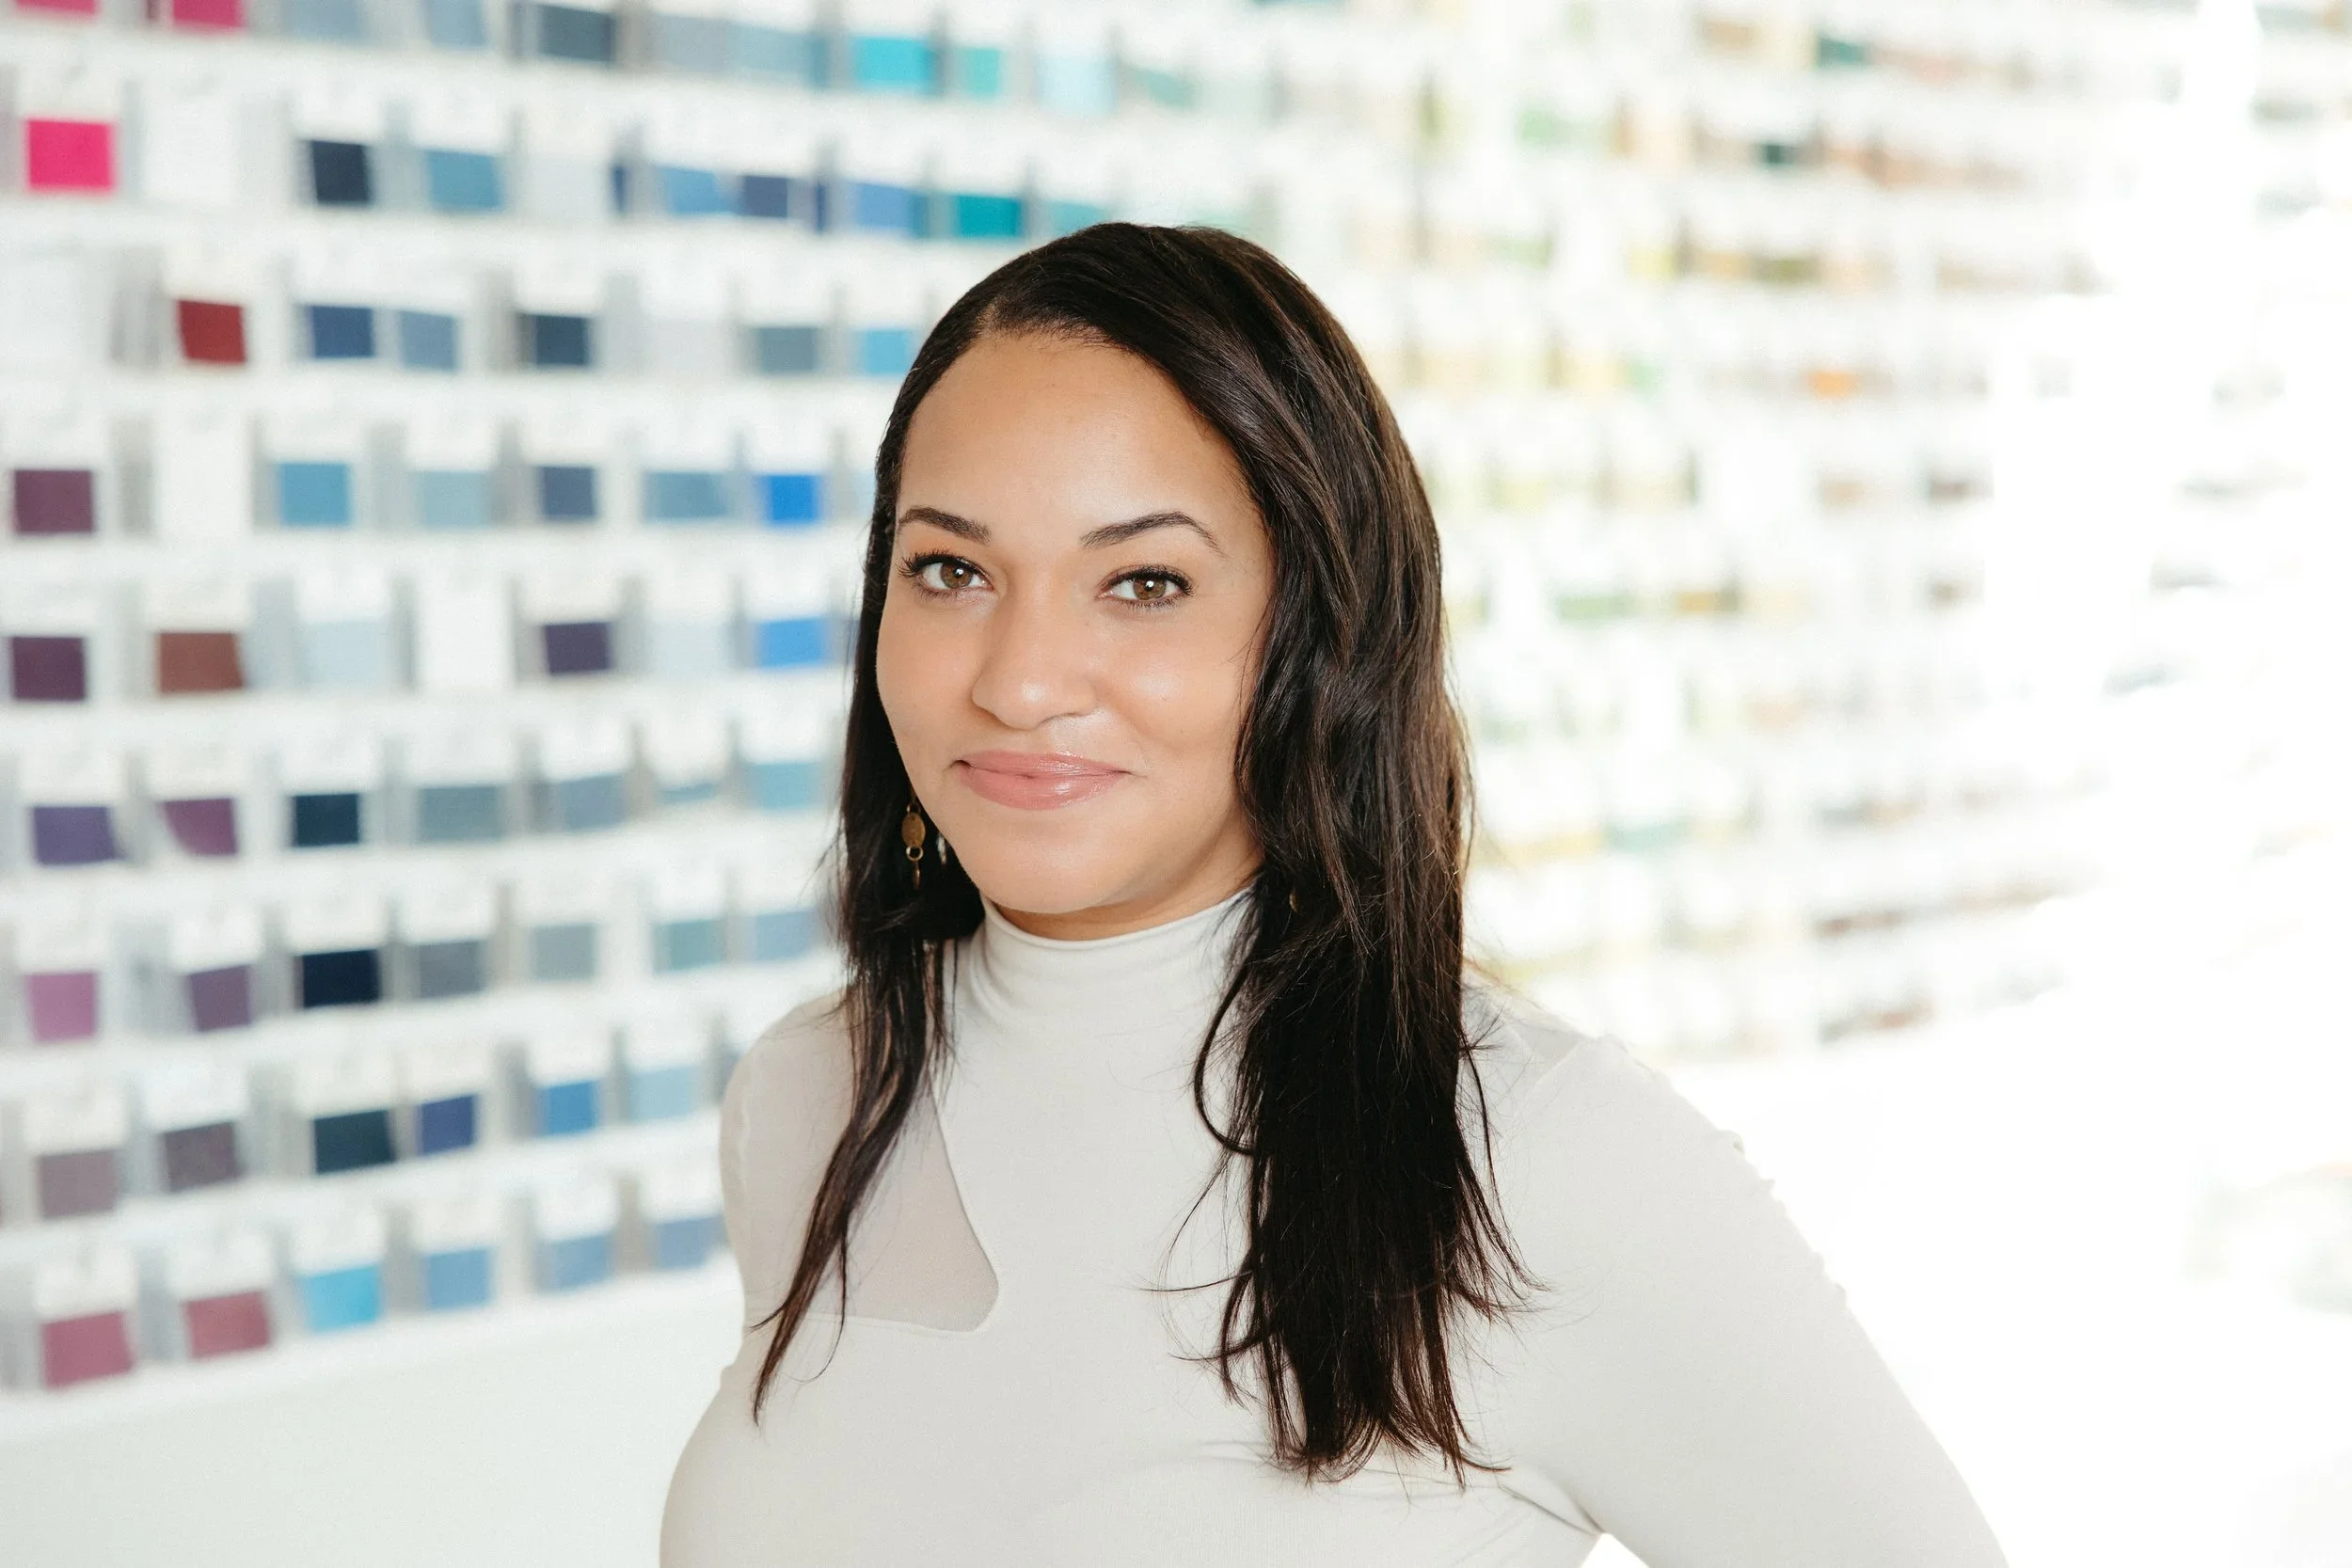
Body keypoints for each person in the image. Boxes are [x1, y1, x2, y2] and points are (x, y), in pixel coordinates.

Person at [660, 222, 2008, 1566]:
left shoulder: (1534, 1157)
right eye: (951, 569)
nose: (1020, 679)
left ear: (1317, 632)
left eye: (1144, 582)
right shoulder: (809, 1099)